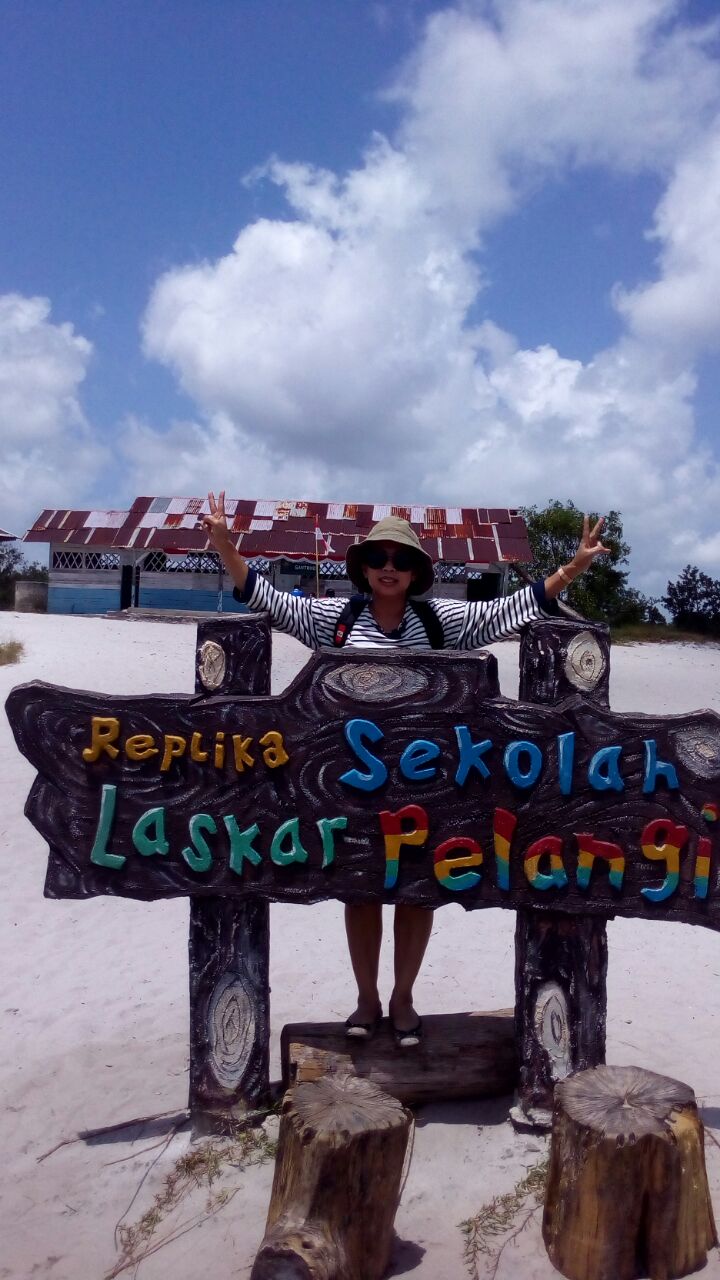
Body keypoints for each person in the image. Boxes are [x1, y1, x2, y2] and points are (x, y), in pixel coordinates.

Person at [202, 493, 608, 1046]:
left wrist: (572, 568)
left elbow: (512, 608)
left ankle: (403, 997)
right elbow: (267, 599)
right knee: (359, 888)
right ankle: (367, 998)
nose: (388, 568)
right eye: (378, 558)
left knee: (418, 889)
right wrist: (226, 548)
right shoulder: (335, 619)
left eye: (400, 559)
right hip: (352, 785)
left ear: (416, 571)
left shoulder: (441, 620)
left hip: (426, 785)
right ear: (363, 568)